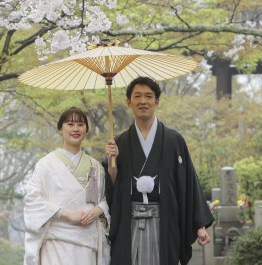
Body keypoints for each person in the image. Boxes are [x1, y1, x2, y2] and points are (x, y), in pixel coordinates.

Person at [103, 76, 214, 265]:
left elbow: (188, 181)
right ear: (129, 102)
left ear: (157, 101)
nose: (143, 101)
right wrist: (111, 161)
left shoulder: (173, 139)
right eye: (137, 96)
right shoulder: (119, 142)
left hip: (165, 218)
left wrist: (200, 225)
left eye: (148, 96)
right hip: (129, 220)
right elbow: (111, 186)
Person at [24, 107, 110, 265]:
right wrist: (67, 215)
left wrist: (96, 211)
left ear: (87, 129)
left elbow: (105, 199)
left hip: (87, 242)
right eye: (70, 124)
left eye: (80, 124)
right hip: (56, 242)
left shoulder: (96, 167)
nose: (76, 129)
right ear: (60, 129)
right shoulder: (46, 165)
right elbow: (32, 200)